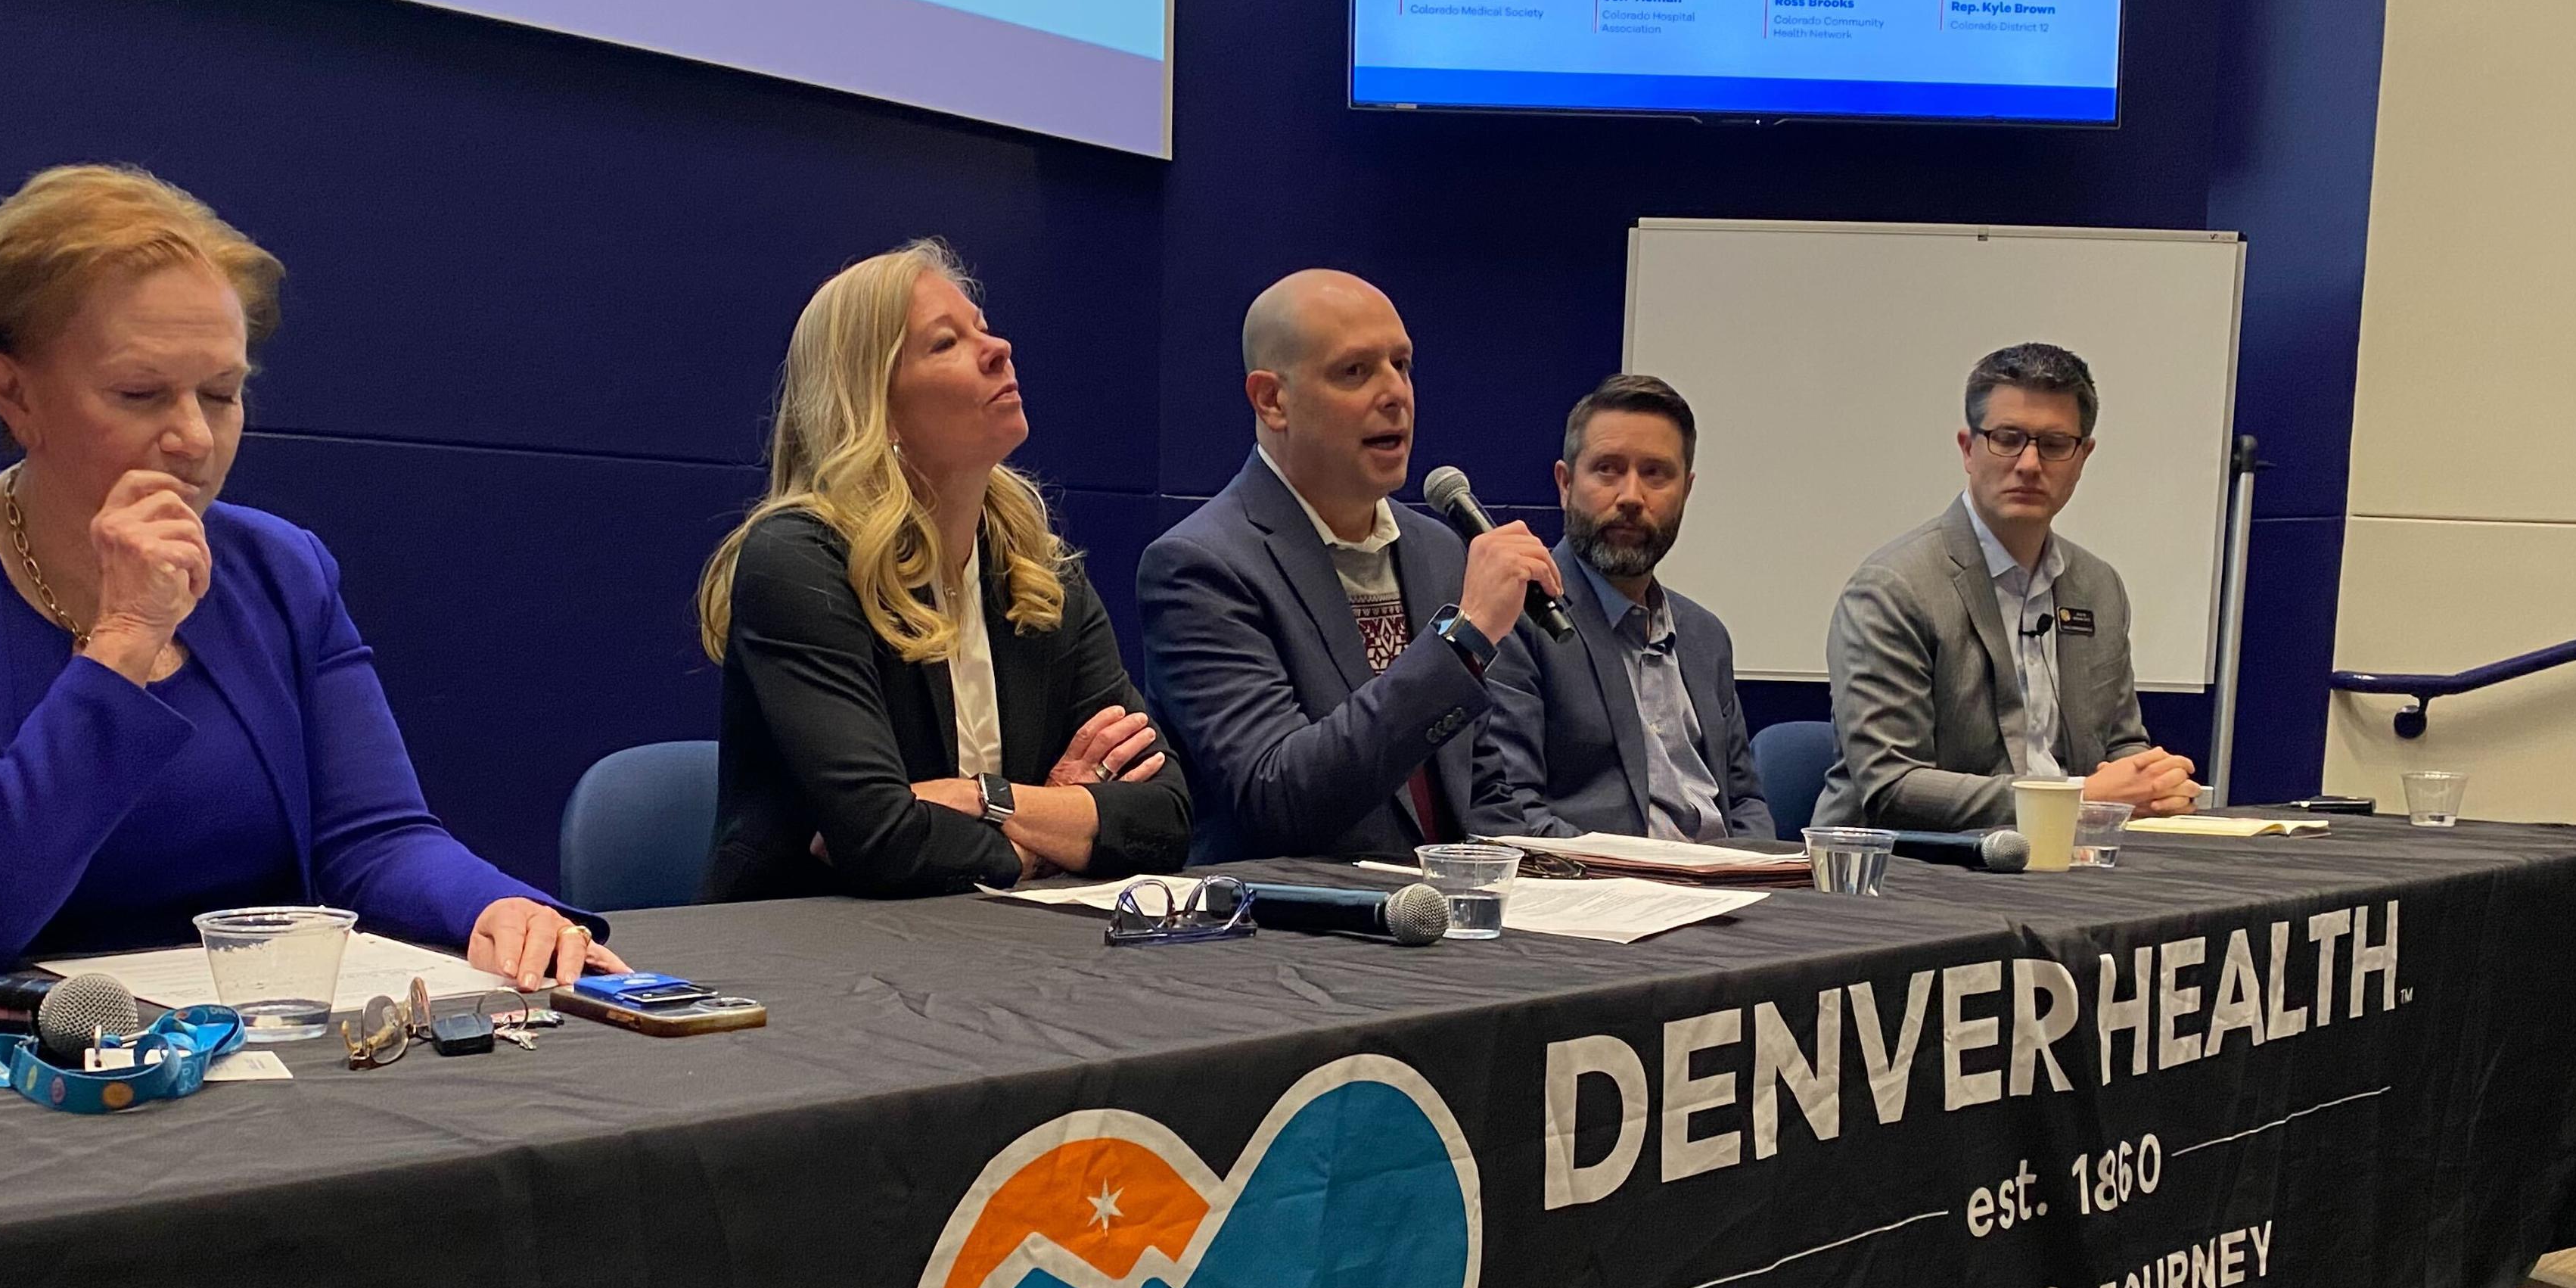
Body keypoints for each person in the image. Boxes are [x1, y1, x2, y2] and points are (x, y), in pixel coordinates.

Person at [0, 163, 616, 985]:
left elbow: (373, 839)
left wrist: (497, 908)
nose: (194, 438)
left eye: (223, 394)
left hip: (238, 1042)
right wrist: (125, 642)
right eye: (141, 393)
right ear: (12, 392)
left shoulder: (280, 569)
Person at [696, 241, 1189, 901]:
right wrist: (1057, 822)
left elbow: (1165, 816)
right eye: (945, 343)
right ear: (875, 406)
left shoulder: (1039, 575)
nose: (999, 349)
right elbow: (882, 840)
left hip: (991, 952)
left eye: (982, 329)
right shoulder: (798, 561)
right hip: (809, 965)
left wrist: (986, 799)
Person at [1136, 270, 1563, 866]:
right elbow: (1278, 796)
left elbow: (1481, 788)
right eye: (1355, 372)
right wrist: (1461, 643)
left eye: (1402, 364)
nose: (1396, 394)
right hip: (1298, 935)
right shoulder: (1201, 566)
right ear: (1271, 399)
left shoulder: (1437, 551)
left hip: (1448, 928)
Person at [1813, 343, 2199, 832]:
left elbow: (2119, 743)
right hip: (1924, 871)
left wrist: (2153, 781)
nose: (2030, 464)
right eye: (2008, 438)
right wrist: (2075, 799)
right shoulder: (1893, 588)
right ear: (1968, 449)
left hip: (2069, 863)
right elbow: (1892, 787)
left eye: (2055, 444)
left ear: (2083, 456)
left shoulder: (2098, 588)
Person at [1478, 376, 1772, 843]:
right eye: (1608, 470)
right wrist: (1651, 878)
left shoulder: (1705, 636)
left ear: (1686, 491)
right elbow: (1511, 814)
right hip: (1600, 897)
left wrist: (1751, 870)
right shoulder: (1516, 618)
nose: (1632, 496)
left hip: (1723, 895)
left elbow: (1745, 802)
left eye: (1656, 473)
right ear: (1565, 484)